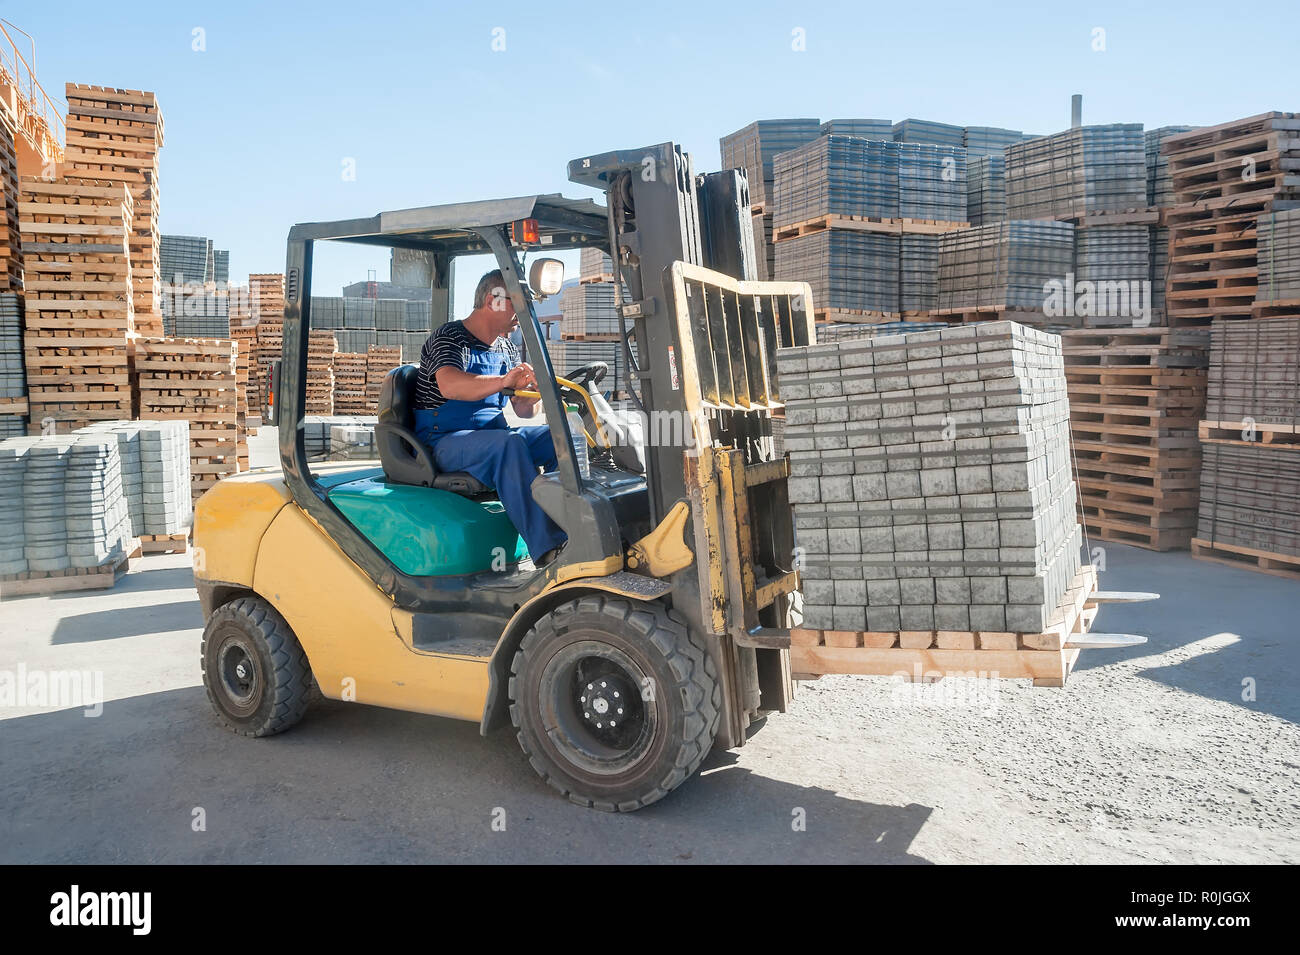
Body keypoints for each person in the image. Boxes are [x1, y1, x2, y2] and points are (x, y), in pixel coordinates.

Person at [412, 270, 567, 567]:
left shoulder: (506, 347)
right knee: (507, 446)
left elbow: (524, 411)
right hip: (443, 441)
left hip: (490, 435)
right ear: (492, 300)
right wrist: (503, 381)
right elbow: (451, 385)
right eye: (517, 303)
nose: (522, 313)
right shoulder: (448, 337)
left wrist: (527, 394)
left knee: (556, 437)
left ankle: (572, 524)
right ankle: (549, 549)